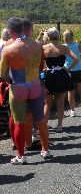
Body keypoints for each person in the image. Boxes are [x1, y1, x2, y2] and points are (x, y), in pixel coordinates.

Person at [0, 17, 50, 164]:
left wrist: (9, 82)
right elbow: (41, 66)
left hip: (18, 87)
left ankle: (21, 156)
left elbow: (3, 74)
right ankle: (45, 150)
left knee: (19, 122)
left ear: (10, 31)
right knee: (40, 119)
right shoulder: (37, 45)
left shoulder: (9, 49)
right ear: (22, 29)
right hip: (35, 85)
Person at [42, 27, 78, 132]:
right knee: (60, 102)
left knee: (47, 103)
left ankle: (44, 125)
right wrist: (67, 68)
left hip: (49, 75)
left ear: (48, 36)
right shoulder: (64, 47)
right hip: (61, 75)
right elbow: (76, 59)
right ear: (58, 36)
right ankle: (59, 125)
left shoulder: (44, 48)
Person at [63, 29, 81, 117]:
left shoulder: (63, 47)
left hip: (68, 70)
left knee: (70, 92)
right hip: (79, 69)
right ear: (72, 36)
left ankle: (72, 111)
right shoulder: (78, 45)